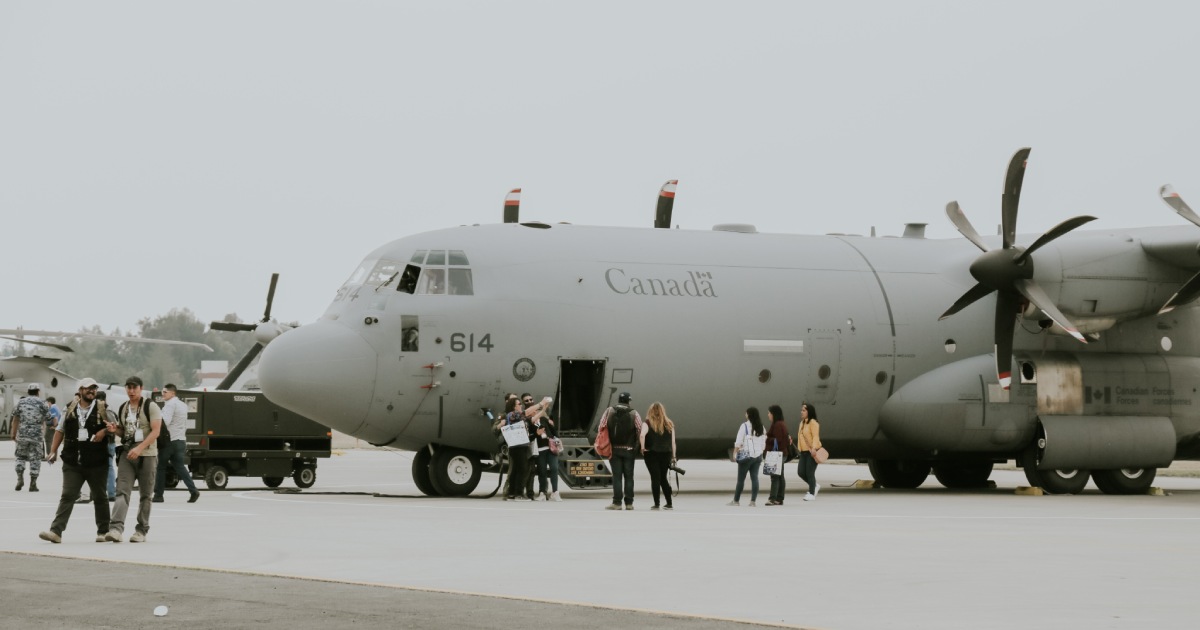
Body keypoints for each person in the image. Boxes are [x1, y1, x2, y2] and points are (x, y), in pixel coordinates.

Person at [39, 377, 112, 544]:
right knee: (67, 495)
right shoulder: (69, 409)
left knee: (100, 496)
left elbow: (116, 428)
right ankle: (56, 532)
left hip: (97, 462)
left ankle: (103, 532)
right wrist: (52, 451)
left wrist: (104, 432)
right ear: (80, 390)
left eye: (94, 388)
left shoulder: (104, 408)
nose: (91, 391)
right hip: (73, 462)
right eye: (87, 388)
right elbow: (60, 430)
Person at [105, 376, 162, 543]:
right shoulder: (124, 408)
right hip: (127, 455)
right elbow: (125, 432)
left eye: (134, 387)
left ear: (141, 388)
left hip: (147, 456)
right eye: (128, 388)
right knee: (122, 491)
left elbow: (156, 431)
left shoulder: (150, 406)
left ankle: (141, 530)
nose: (131, 391)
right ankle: (116, 528)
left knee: (146, 495)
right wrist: (115, 430)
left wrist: (139, 448)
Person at [154, 384, 200, 503]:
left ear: (172, 393)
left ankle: (158, 495)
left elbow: (165, 422)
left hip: (169, 441)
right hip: (181, 440)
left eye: (165, 392)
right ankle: (193, 490)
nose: (162, 394)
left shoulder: (170, 405)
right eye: (162, 391)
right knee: (180, 467)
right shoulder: (183, 405)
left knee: (161, 467)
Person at [598, 392, 643, 510]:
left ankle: (617, 503)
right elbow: (640, 429)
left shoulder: (609, 411)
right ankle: (629, 503)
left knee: (617, 476)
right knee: (629, 476)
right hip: (629, 449)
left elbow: (601, 427)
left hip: (614, 449)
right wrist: (637, 446)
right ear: (629, 401)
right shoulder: (634, 413)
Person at [502, 395, 551, 501]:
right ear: (514, 406)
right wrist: (540, 403)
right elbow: (526, 413)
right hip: (517, 446)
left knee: (516, 470)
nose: (521, 405)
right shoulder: (512, 415)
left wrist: (544, 409)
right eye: (519, 404)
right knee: (523, 469)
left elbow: (533, 418)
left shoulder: (520, 416)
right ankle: (518, 494)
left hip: (521, 445)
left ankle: (512, 494)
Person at [11, 383, 50, 492]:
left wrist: (13, 433)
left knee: (20, 457)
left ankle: (20, 478)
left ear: (28, 392)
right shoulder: (42, 403)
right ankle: (33, 483)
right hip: (36, 434)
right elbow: (48, 418)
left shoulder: (20, 402)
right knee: (35, 458)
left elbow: (15, 419)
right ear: (38, 391)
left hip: (22, 433)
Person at [639, 401, 677, 510]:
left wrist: (642, 448)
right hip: (666, 453)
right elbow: (673, 442)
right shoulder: (669, 423)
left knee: (655, 478)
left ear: (650, 411)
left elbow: (642, 435)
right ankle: (669, 503)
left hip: (651, 453)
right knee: (663, 478)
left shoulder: (647, 423)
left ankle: (656, 504)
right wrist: (674, 456)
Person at [729, 407, 765, 507]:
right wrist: (759, 452)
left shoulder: (744, 426)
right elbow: (763, 443)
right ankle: (753, 501)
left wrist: (735, 453)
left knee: (741, 479)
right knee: (755, 478)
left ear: (748, 415)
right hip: (757, 457)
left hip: (746, 456)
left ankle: (736, 501)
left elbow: (738, 442)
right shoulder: (761, 427)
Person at [529, 395, 562, 502]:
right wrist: (536, 433)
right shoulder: (530, 423)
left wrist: (556, 440)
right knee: (542, 471)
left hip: (550, 448)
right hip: (539, 449)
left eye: (537, 410)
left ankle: (555, 492)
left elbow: (554, 431)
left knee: (554, 468)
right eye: (535, 410)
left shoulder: (544, 419)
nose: (536, 412)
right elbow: (530, 436)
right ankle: (542, 492)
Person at [765, 404, 792, 506]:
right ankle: (779, 498)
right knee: (780, 476)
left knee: (775, 477)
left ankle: (772, 498)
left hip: (777, 454)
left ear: (773, 414)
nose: (768, 415)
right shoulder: (781, 424)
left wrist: (767, 438)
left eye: (769, 413)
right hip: (782, 453)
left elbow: (778, 440)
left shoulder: (777, 425)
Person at [796, 402, 823, 501]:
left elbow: (816, 436)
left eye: (804, 410)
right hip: (803, 452)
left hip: (812, 451)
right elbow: (801, 437)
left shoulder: (813, 423)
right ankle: (815, 486)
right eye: (801, 410)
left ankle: (812, 493)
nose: (801, 412)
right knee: (801, 472)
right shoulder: (802, 423)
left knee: (809, 473)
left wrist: (814, 449)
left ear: (809, 412)